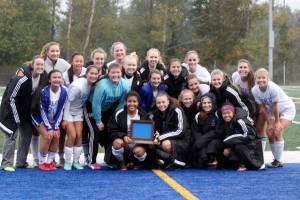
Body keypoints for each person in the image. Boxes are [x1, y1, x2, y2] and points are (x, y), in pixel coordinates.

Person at [0, 55, 46, 171]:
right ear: (32, 65)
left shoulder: (43, 76)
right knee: (11, 134)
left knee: (27, 134)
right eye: (37, 64)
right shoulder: (22, 78)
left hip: (25, 111)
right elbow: (11, 98)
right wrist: (16, 117)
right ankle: (6, 164)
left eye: (42, 65)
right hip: (10, 109)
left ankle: (21, 162)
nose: (40, 67)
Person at [252, 68, 296, 168]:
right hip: (271, 110)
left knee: (277, 130)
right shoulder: (254, 90)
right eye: (259, 78)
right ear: (255, 79)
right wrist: (269, 122)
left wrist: (276, 122)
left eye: (264, 78)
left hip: (286, 109)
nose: (261, 80)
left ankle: (279, 160)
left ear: (268, 79)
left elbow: (276, 105)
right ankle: (276, 160)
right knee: (269, 132)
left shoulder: (273, 88)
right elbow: (262, 107)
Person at [91, 63, 129, 166]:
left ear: (121, 73)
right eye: (113, 72)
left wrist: (115, 114)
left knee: (109, 133)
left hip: (109, 110)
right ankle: (92, 161)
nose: (115, 75)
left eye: (118, 72)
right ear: (108, 73)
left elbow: (122, 102)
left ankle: (109, 159)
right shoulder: (102, 85)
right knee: (96, 133)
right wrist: (98, 120)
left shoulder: (125, 85)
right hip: (92, 108)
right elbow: (96, 103)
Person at [62, 66, 98, 170]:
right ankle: (68, 162)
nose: (93, 76)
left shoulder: (92, 85)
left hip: (78, 112)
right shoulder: (78, 86)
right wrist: (64, 119)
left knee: (79, 136)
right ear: (86, 74)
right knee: (72, 136)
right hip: (68, 112)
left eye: (95, 74)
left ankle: (76, 162)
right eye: (91, 73)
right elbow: (67, 102)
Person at [107, 91, 154, 170]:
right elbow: (111, 131)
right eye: (129, 101)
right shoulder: (118, 114)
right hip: (124, 144)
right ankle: (121, 162)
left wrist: (142, 139)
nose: (132, 104)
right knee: (117, 143)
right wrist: (123, 136)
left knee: (139, 151)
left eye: (134, 101)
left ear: (138, 102)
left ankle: (137, 162)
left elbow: (149, 133)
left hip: (137, 144)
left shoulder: (144, 115)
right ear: (125, 102)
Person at [32, 70, 68, 170]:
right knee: (48, 136)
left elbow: (61, 110)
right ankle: (42, 162)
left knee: (57, 136)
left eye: (59, 77)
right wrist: (49, 128)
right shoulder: (44, 92)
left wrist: (55, 127)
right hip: (38, 116)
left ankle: (49, 162)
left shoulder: (65, 91)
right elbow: (42, 111)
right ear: (49, 80)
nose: (57, 80)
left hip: (53, 119)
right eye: (54, 77)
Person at [217, 103, 264, 171]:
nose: (226, 115)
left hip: (252, 146)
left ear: (233, 113)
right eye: (224, 113)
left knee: (238, 146)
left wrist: (226, 142)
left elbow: (249, 135)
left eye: (229, 113)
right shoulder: (226, 122)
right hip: (242, 145)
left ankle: (246, 164)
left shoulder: (241, 120)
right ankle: (240, 163)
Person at [152, 92, 189, 168]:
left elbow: (180, 131)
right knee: (152, 144)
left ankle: (178, 160)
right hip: (165, 139)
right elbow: (156, 130)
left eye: (163, 102)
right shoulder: (155, 114)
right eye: (158, 103)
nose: (161, 105)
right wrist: (156, 138)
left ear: (168, 101)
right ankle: (170, 160)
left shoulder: (177, 111)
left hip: (182, 140)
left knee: (166, 144)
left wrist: (160, 138)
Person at [191, 93, 222, 168]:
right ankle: (204, 158)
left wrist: (203, 139)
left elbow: (218, 131)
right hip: (202, 141)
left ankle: (214, 159)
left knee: (213, 143)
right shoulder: (198, 115)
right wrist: (200, 140)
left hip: (215, 140)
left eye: (209, 102)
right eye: (204, 103)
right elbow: (195, 130)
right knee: (198, 144)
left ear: (213, 103)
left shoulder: (218, 114)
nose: (206, 105)